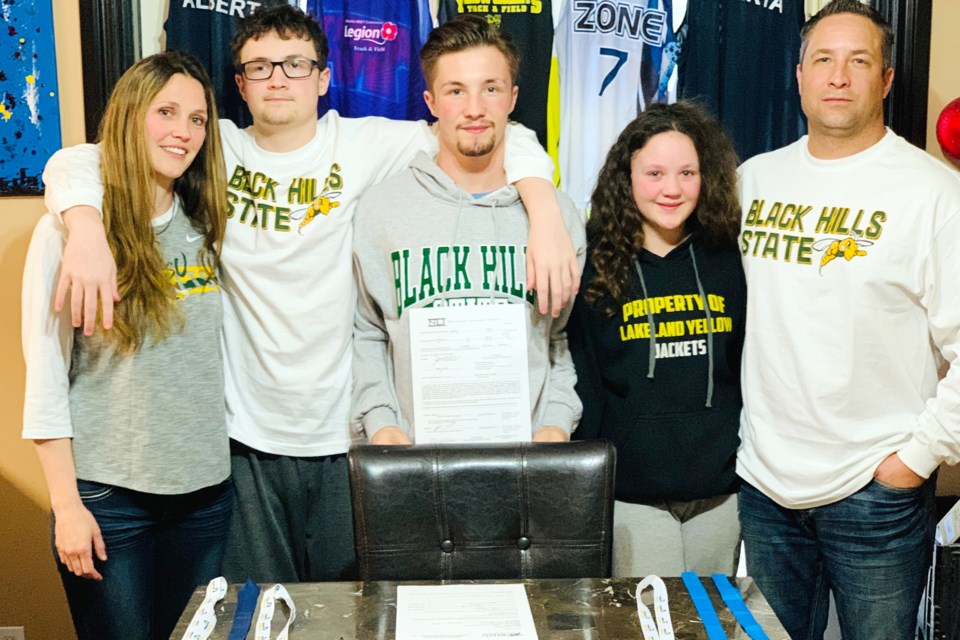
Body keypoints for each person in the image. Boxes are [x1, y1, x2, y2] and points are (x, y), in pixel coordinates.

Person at [41, 5, 577, 584]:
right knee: (260, 613)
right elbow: (79, 159)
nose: (278, 78)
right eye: (261, 66)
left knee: (353, 608)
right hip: (243, 438)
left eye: (296, 64)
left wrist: (544, 211)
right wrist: (86, 226)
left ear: (323, 78)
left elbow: (488, 124)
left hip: (346, 433)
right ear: (239, 85)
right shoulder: (212, 147)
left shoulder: (369, 142)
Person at [736, 1, 960, 638]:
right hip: (764, 485)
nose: (839, 76)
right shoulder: (755, 180)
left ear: (886, 80)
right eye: (823, 60)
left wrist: (915, 459)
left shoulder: (933, 195)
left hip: (876, 491)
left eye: (858, 61)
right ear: (799, 74)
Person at [21, 52, 230, 640]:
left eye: (197, 119)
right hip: (111, 501)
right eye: (165, 112)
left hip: (205, 497)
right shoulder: (68, 231)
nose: (183, 132)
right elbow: (44, 378)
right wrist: (66, 507)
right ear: (130, 116)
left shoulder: (203, 224)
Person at [351, 15, 585, 445]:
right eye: (456, 91)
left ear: (512, 98)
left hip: (527, 463)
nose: (474, 108)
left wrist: (555, 423)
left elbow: (560, 338)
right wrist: (382, 424)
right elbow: (368, 331)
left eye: (490, 88)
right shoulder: (381, 209)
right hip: (417, 467)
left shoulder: (559, 218)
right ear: (431, 102)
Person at [567, 101, 744, 577]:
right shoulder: (591, 263)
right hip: (631, 496)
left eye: (688, 172)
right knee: (648, 628)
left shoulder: (730, 260)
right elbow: (583, 379)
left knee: (713, 627)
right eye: (655, 173)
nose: (672, 189)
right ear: (627, 177)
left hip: (720, 491)